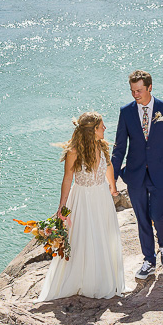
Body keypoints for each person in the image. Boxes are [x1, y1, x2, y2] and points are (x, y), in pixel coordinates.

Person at [37, 112, 128, 301]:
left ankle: (103, 280)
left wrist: (112, 187)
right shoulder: (74, 151)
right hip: (82, 200)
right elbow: (68, 179)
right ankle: (84, 282)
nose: (105, 128)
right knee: (85, 238)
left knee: (103, 236)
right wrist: (62, 206)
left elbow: (108, 166)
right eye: (102, 126)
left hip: (102, 197)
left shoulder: (102, 146)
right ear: (93, 130)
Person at [112, 70, 163, 281]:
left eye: (139, 90)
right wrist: (112, 178)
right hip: (135, 175)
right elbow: (119, 148)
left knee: (157, 215)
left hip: (160, 173)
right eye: (133, 91)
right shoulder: (126, 112)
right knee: (142, 218)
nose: (136, 94)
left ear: (150, 88)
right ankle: (148, 260)